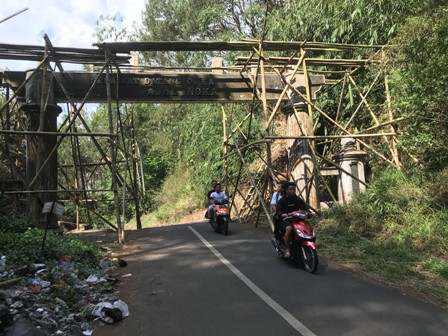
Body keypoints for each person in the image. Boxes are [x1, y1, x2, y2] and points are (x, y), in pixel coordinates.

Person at [276, 181, 309, 258]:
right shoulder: (282, 200)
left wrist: (308, 213)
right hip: (286, 220)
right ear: (286, 190)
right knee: (289, 228)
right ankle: (287, 249)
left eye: (294, 189)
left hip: (296, 219)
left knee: (306, 227)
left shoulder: (297, 199)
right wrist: (282, 214)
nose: (292, 191)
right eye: (290, 189)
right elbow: (278, 211)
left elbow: (304, 208)